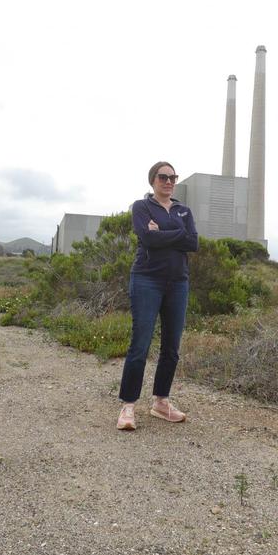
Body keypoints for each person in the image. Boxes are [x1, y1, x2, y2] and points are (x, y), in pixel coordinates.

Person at [116, 161, 199, 430]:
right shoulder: (141, 207)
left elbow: (193, 242)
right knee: (140, 345)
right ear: (153, 180)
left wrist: (162, 232)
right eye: (163, 177)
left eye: (173, 177)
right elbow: (147, 239)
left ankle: (161, 402)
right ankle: (128, 406)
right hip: (147, 280)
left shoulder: (184, 210)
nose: (169, 181)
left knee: (171, 349)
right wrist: (176, 235)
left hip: (178, 282)